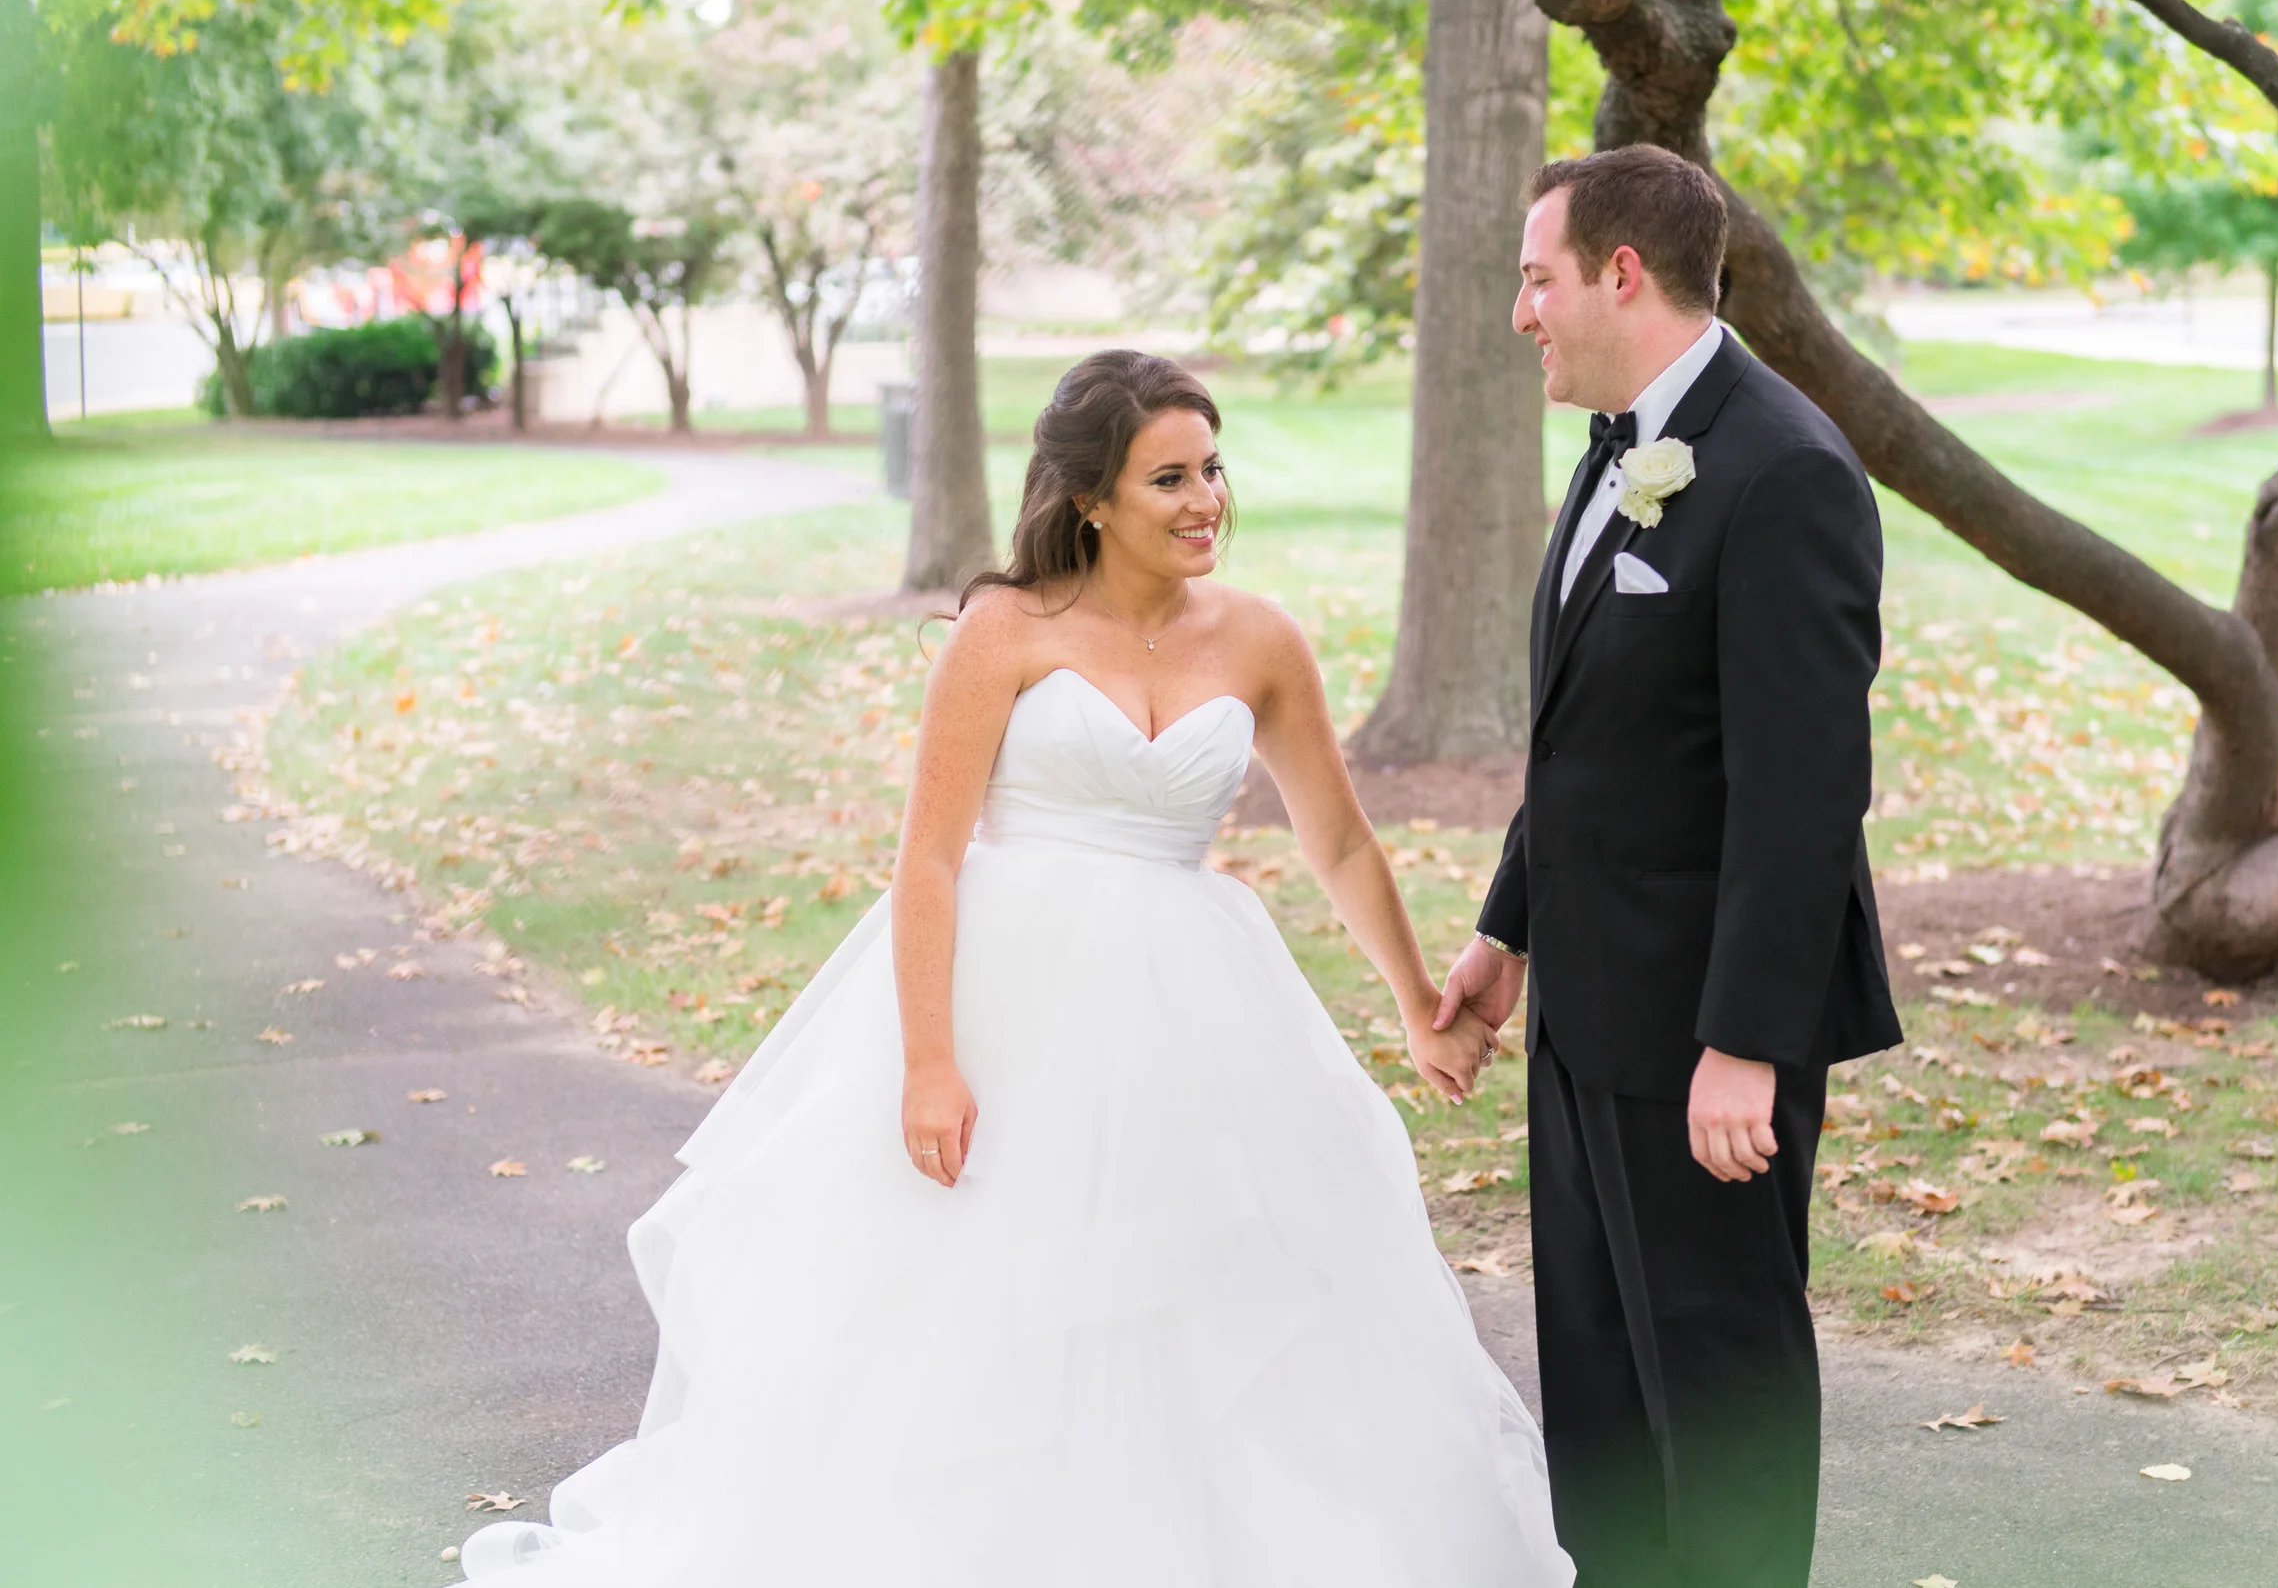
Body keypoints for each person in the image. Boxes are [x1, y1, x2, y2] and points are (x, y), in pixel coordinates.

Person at [460, 349, 1573, 1586]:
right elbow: (929, 859)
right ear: (1091, 497)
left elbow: (1341, 841)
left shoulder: (1260, 639)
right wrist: (929, 1060)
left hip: (1193, 1012)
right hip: (1015, 1007)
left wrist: (1416, 1000)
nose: (1206, 499)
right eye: (1168, 478)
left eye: (1212, 468)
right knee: (986, 1302)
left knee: (1203, 1285)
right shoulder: (1005, 628)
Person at [1435, 145, 1900, 1588]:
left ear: (1621, 274)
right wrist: (1509, 929)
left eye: (1538, 279)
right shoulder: (1616, 445)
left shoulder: (1786, 472)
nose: (1523, 310)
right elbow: (1590, 736)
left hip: (1705, 1039)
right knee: (1604, 1387)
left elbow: (1802, 796)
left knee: (1718, 1381)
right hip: (1585, 1010)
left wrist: (1745, 1043)